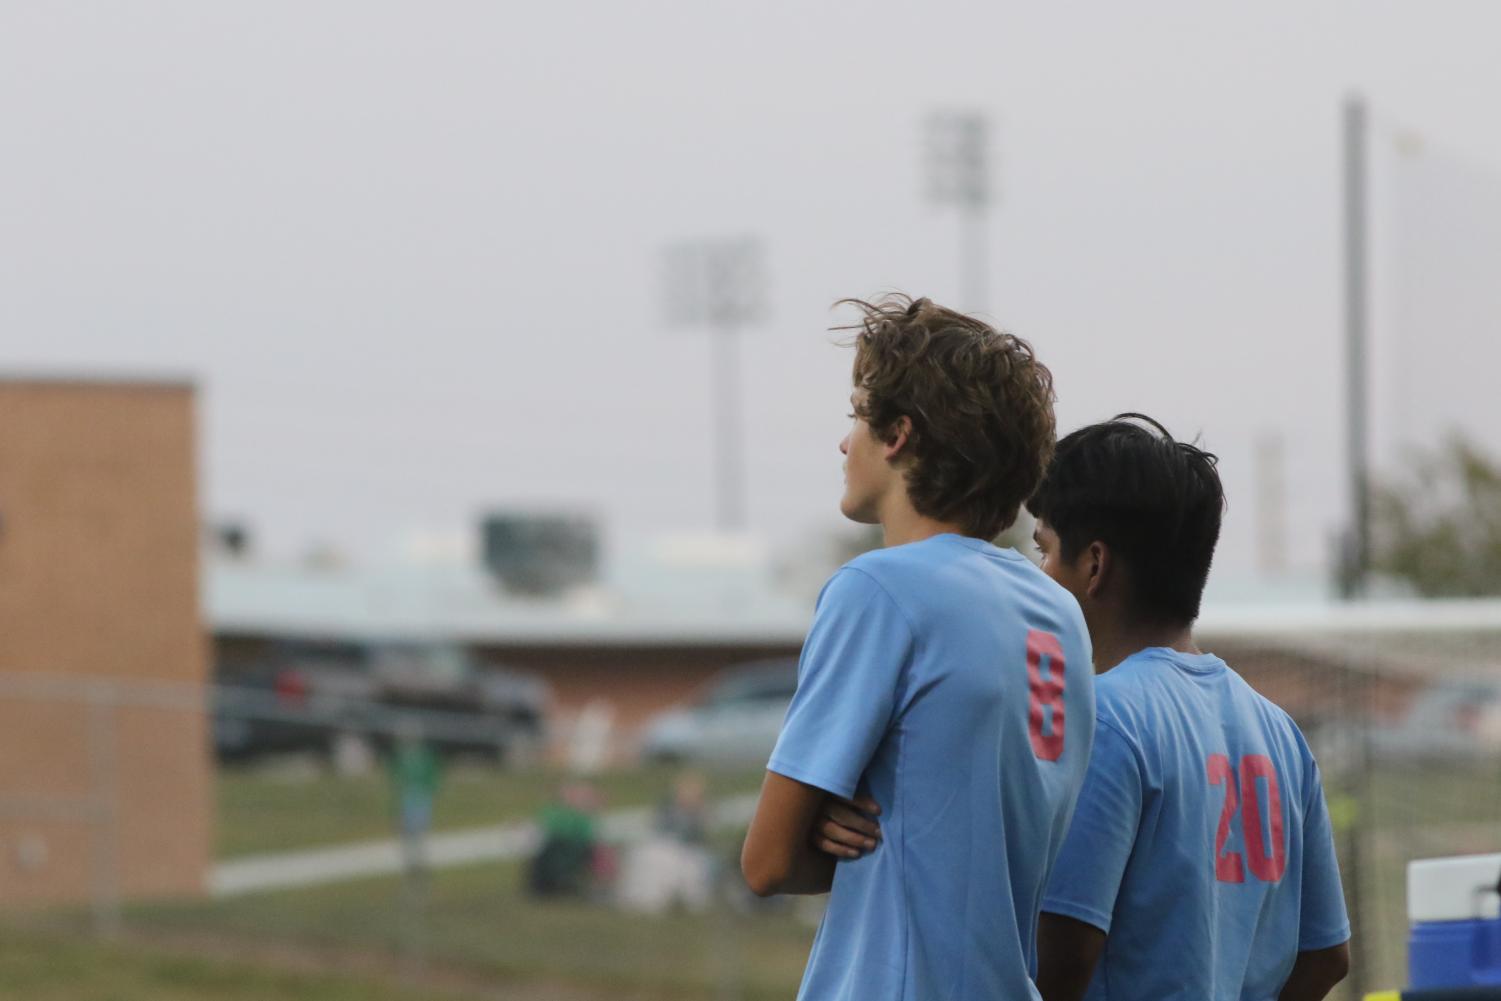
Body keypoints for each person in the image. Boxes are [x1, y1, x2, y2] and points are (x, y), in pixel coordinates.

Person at [740, 294, 1095, 1001]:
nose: (846, 443)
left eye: (856, 416)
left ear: (898, 433)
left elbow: (767, 862)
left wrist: (819, 835)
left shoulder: (878, 589)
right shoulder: (1059, 613)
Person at [1026, 416, 1350, 1001]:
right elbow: (1327, 955)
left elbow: (1064, 954)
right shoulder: (1278, 731)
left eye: (1043, 550)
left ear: (1094, 565)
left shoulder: (1104, 720)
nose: (1038, 575)